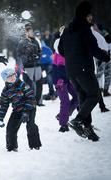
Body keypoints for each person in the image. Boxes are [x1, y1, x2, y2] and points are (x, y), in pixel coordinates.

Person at [58, 1, 110, 141]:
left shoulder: (68, 29)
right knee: (94, 94)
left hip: (72, 71)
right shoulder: (84, 30)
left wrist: (72, 56)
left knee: (83, 97)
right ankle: (78, 120)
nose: (91, 18)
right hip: (84, 69)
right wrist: (106, 56)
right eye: (89, 16)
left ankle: (88, 129)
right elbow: (93, 49)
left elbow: (60, 50)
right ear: (84, 15)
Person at [0, 68, 41, 151]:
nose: (12, 78)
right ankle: (12, 147)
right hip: (17, 110)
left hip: (30, 107)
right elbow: (4, 106)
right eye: (9, 77)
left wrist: (26, 112)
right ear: (5, 80)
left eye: (13, 75)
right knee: (10, 128)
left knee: (30, 125)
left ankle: (35, 146)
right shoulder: (6, 91)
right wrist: (0, 118)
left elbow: (31, 98)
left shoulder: (22, 85)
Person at [53, 27, 78, 132]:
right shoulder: (58, 44)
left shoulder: (72, 45)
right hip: (60, 78)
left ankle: (63, 115)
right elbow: (57, 66)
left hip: (69, 77)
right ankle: (63, 125)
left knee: (78, 97)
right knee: (65, 101)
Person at [17, 24, 44, 106]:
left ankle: (38, 101)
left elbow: (39, 51)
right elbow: (20, 54)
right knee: (29, 86)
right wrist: (29, 57)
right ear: (26, 33)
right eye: (30, 32)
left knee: (39, 85)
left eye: (32, 31)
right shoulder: (22, 42)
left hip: (37, 65)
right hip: (28, 67)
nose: (32, 33)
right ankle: (29, 101)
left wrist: (38, 56)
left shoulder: (36, 40)